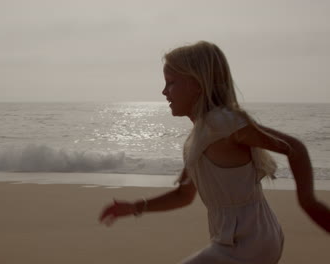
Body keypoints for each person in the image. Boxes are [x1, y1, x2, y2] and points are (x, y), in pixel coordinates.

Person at [98, 41, 330, 264]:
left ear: (197, 84)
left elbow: (294, 148)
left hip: (249, 244)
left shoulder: (223, 122)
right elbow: (184, 196)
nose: (164, 91)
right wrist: (135, 207)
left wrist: (308, 202)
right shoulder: (196, 139)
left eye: (171, 83)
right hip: (240, 241)